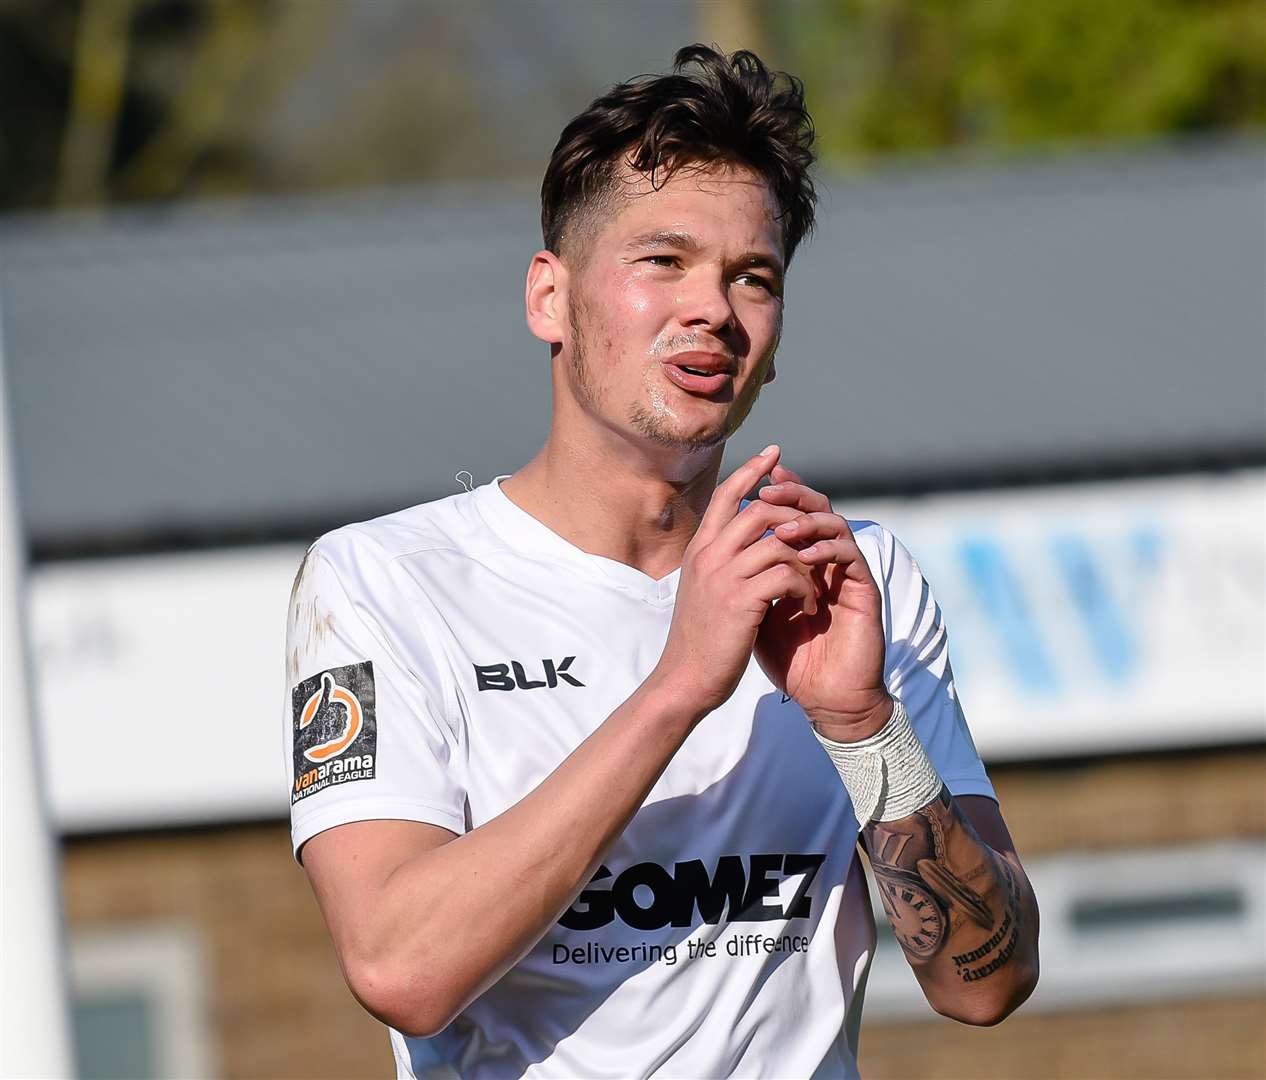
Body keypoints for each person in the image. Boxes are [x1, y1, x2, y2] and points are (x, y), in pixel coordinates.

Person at [284, 44, 1039, 1079]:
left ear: (775, 339)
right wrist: (680, 685)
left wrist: (861, 728)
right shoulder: (383, 583)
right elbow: (400, 966)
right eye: (663, 261)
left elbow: (984, 983)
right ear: (550, 298)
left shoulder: (857, 578)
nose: (713, 310)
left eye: (752, 278)